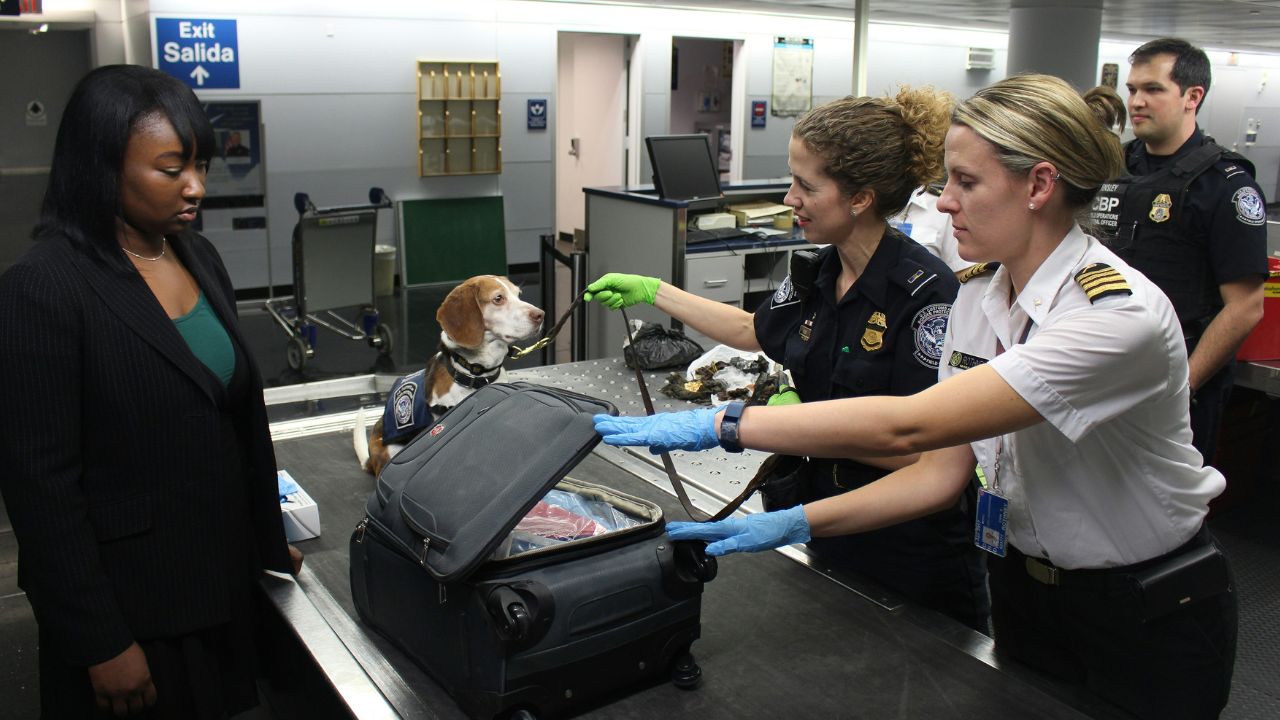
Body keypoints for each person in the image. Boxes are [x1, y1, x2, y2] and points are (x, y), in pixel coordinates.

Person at [594, 74, 1237, 720]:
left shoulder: (1113, 315)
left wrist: (726, 425)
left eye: (966, 182)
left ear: (1039, 185)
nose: (943, 201)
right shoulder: (980, 300)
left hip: (1141, 609)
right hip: (1024, 592)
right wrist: (793, 524)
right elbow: (939, 474)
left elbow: (910, 428)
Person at [585, 87, 990, 633]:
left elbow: (925, 458)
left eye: (806, 186)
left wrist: (789, 426)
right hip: (825, 524)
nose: (789, 197)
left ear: (860, 198)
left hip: (906, 552)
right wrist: (655, 291)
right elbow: (754, 330)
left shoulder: (926, 297)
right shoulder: (819, 271)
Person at [0, 65, 302, 718]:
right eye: (172, 169)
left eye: (200, 165)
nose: (196, 187)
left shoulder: (196, 255)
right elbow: (41, 490)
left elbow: (234, 422)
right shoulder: (44, 287)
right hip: (138, 617)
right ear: (101, 167)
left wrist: (264, 542)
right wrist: (100, 641)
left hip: (224, 588)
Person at [1092, 37, 1268, 462]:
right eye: (1133, 89)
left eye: (1153, 89)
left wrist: (1183, 387)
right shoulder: (1111, 168)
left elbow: (1246, 306)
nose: (1137, 101)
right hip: (1103, 367)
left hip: (1176, 380)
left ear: (1193, 96)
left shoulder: (1224, 186)